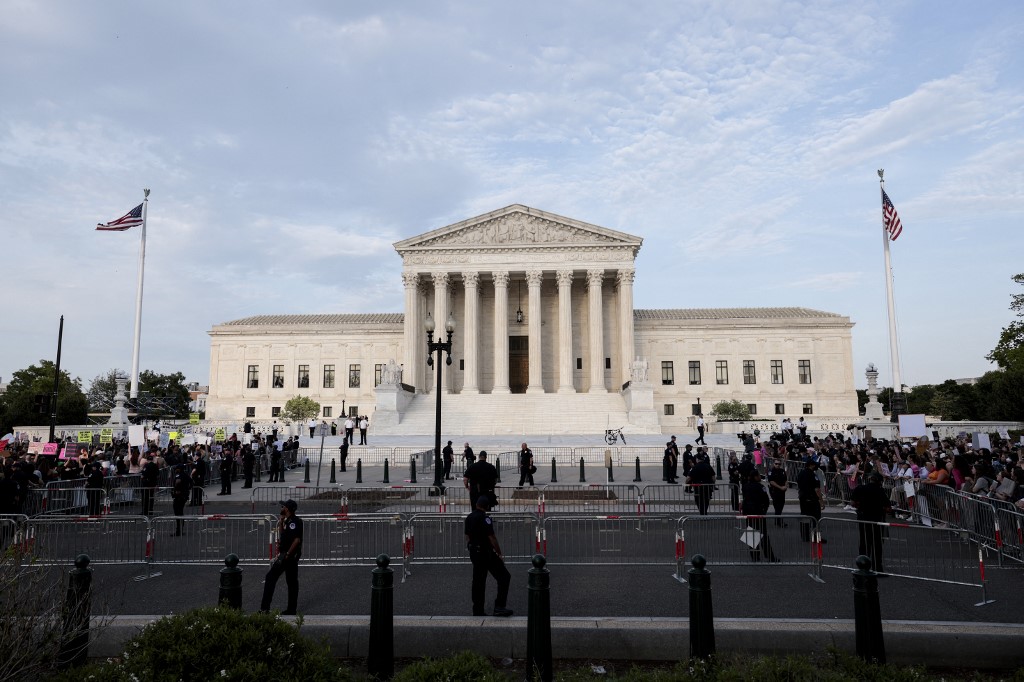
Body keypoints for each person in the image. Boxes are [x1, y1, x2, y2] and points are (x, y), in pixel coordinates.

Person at [464, 495, 512, 617]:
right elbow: (492, 538)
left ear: (476, 505)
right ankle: (499, 606)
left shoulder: (469, 517)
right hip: (486, 552)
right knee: (504, 576)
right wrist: (499, 553)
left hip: (474, 551)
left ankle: (478, 609)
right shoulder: (485, 518)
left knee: (478, 581)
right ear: (487, 507)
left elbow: (468, 536)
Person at [261, 499, 303, 615]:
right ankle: (291, 609)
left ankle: (265, 609)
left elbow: (296, 540)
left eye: (283, 506)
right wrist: (281, 522)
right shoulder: (289, 521)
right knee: (292, 582)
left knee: (270, 577)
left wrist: (288, 554)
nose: (281, 508)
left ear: (287, 509)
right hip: (289, 556)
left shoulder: (294, 522)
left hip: (288, 556)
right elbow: (284, 535)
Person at [851, 472, 893, 573]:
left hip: (863, 518)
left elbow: (853, 503)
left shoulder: (860, 488)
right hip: (876, 519)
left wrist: (859, 506)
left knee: (864, 542)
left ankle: (863, 565)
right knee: (877, 543)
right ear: (879, 481)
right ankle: (877, 566)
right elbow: (888, 508)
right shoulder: (880, 491)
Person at [741, 471, 778, 562]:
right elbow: (765, 500)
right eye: (758, 475)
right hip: (758, 512)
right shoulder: (760, 487)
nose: (759, 477)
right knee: (763, 534)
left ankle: (754, 556)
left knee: (751, 533)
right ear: (755, 477)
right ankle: (769, 556)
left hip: (748, 512)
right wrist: (764, 510)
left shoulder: (745, 486)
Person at [797, 457, 825, 542]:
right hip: (812, 499)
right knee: (816, 519)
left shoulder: (801, 473)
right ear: (811, 465)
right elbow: (817, 489)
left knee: (805, 517)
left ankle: (805, 537)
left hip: (803, 498)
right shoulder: (813, 475)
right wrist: (821, 501)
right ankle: (816, 537)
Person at [767, 458, 788, 526]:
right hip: (775, 491)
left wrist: (785, 486)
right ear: (774, 464)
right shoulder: (771, 471)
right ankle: (778, 522)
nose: (778, 465)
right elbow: (771, 481)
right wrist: (780, 487)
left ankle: (778, 520)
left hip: (782, 491)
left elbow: (785, 479)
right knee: (777, 506)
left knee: (781, 505)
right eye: (776, 464)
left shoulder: (782, 471)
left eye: (779, 464)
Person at [171, 465, 191, 536]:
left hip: (179, 496)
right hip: (184, 496)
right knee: (180, 512)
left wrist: (177, 491)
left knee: (178, 513)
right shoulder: (186, 475)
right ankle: (180, 530)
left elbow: (177, 483)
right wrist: (187, 489)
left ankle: (178, 531)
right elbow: (192, 482)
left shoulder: (178, 476)